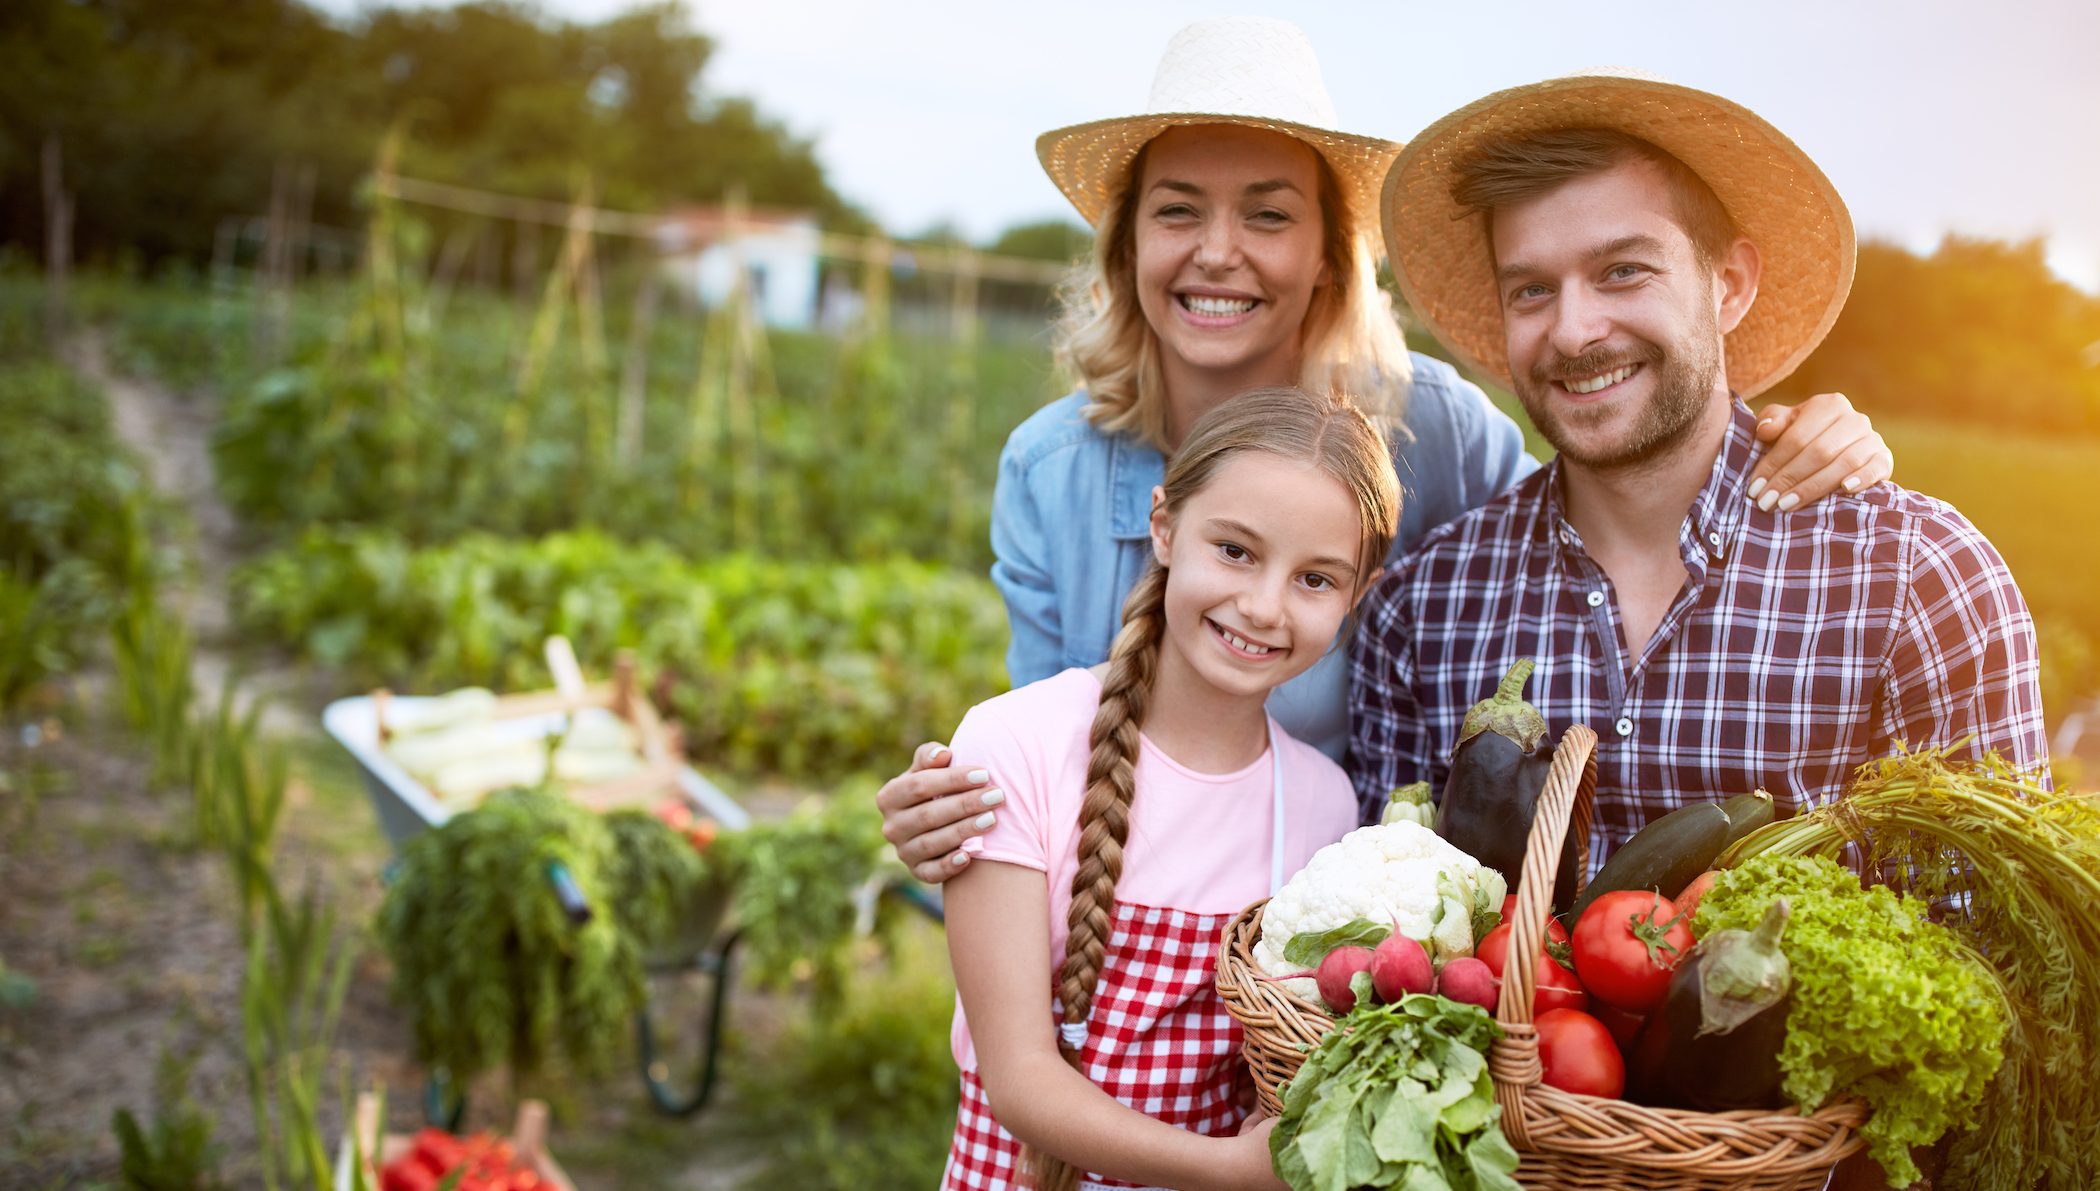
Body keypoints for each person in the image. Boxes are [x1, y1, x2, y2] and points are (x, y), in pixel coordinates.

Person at [880, 18, 1890, 881]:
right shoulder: (1053, 471)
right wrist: (958, 808)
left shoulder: (1431, 431)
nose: (1217, 251)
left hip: (1328, 924)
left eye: (1267, 214)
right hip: (1126, 930)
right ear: (1128, 246)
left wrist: (1784, 426)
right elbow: (1043, 753)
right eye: (1177, 210)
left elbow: (1599, 518)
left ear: (1327, 255)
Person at [1350, 72, 2051, 871]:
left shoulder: (1918, 581)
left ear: (1731, 285)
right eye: (1533, 289)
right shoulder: (1423, 609)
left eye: (1623, 271)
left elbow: (1997, 951)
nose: (1575, 331)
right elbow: (1388, 944)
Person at [940, 386, 1394, 1191]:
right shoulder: (1017, 744)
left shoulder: (1324, 804)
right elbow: (1019, 1080)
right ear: (1165, 526)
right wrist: (1226, 1168)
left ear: (1357, 595)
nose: (1262, 606)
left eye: (1316, 579)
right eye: (1236, 550)